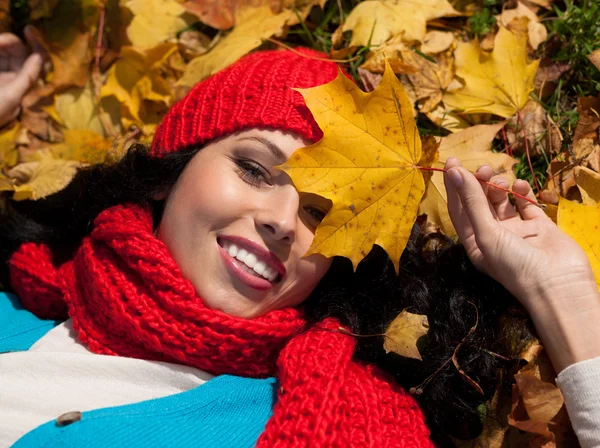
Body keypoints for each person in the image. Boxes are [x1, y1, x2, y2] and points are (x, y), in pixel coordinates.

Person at [0, 46, 599, 447]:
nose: (285, 221)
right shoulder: (18, 302)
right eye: (256, 171)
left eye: (322, 212)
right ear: (168, 173)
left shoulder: (339, 418)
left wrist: (562, 294)